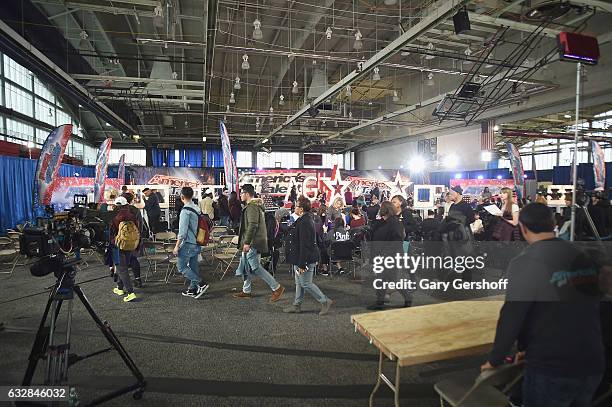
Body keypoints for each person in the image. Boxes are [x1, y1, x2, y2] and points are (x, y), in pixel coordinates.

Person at [482, 203, 604, 407]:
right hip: (592, 362)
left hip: (552, 367)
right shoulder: (581, 256)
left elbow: (513, 315)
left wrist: (495, 360)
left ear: (522, 228)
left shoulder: (526, 262)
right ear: (554, 223)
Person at [233, 184, 285, 301]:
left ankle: (276, 287)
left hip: (252, 242)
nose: (240, 195)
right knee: (245, 265)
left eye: (241, 193)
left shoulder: (252, 207)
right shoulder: (253, 206)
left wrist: (247, 242)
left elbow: (252, 225)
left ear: (247, 194)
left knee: (255, 267)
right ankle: (246, 290)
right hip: (252, 241)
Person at [283, 196, 333, 315]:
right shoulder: (303, 219)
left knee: (305, 283)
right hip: (300, 257)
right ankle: (296, 305)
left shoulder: (305, 221)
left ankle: (325, 301)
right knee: (299, 283)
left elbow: (305, 244)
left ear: (301, 209)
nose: (294, 207)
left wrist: (302, 263)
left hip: (304, 258)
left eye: (296, 205)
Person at [367, 201, 412, 310]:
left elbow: (396, 241)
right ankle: (380, 302)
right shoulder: (384, 222)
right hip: (385, 256)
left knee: (392, 280)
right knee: (382, 279)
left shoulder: (395, 223)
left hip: (391, 256)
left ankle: (407, 297)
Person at [172, 187, 209, 298]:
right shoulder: (196, 208)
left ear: (182, 196)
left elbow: (182, 232)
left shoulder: (185, 211)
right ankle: (192, 289)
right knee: (193, 267)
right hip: (197, 242)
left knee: (181, 267)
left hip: (188, 243)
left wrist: (176, 246)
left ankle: (201, 283)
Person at [110, 194, 142, 302]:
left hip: (118, 244)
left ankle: (130, 292)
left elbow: (111, 231)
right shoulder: (132, 214)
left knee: (121, 268)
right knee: (123, 267)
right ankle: (119, 288)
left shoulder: (114, 216)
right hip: (130, 243)